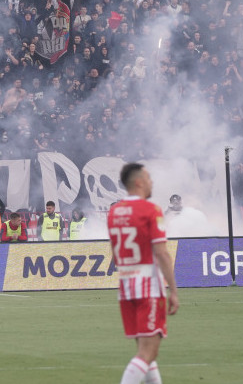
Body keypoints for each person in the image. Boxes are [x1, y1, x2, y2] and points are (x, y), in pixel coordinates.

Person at [109, 163, 179, 384]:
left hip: (127, 285)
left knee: (147, 351)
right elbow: (161, 253)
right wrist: (174, 290)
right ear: (138, 182)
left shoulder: (114, 211)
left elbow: (115, 253)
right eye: (148, 178)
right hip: (148, 284)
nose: (151, 182)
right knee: (148, 352)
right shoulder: (151, 210)